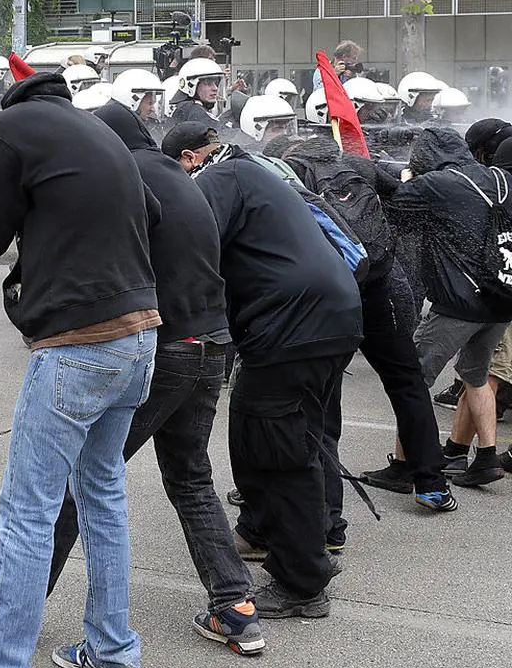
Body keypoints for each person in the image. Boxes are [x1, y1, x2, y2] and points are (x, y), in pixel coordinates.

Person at [0, 99, 265, 657]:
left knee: (68, 492)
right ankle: (232, 605)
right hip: (207, 342)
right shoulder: (169, 173)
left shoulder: (116, 177)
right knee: (185, 477)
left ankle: (4, 623)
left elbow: (19, 242)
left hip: (150, 344)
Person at [0, 65, 159, 668]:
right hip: (141, 339)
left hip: (79, 347)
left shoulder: (12, 132)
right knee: (103, 496)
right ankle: (113, 652)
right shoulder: (96, 129)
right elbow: (155, 212)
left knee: (27, 514)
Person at [188, 133, 363, 619]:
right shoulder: (254, 175)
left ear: (190, 159)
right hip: (324, 319)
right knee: (265, 436)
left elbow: (193, 251)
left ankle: (302, 581)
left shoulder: (221, 179)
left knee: (278, 448)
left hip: (294, 327)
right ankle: (270, 535)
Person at [282, 137, 455, 511]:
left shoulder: (291, 175)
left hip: (331, 293)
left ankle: (328, 511)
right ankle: (432, 484)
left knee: (324, 394)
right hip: (383, 286)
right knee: (407, 384)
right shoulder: (359, 168)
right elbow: (403, 198)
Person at [385, 127, 512, 487]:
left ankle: (404, 465)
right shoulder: (499, 177)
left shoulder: (437, 183)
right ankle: (486, 458)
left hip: (459, 304)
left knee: (411, 380)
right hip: (501, 300)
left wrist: (409, 179)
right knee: (475, 375)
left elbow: (397, 212)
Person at [169, 57, 224, 127]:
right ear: (191, 85)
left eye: (216, 83)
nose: (215, 88)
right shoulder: (193, 109)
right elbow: (221, 133)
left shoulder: (185, 107)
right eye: (208, 83)